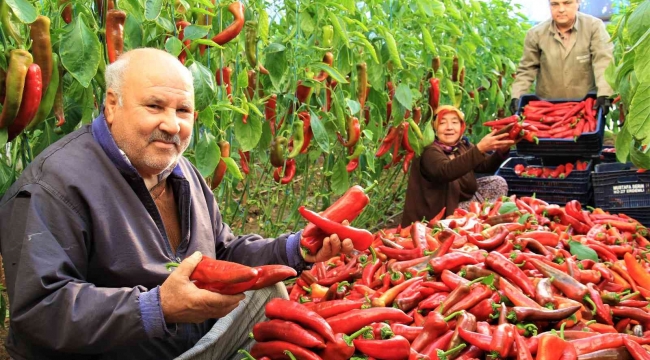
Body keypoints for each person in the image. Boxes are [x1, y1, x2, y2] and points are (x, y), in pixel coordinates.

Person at [0, 48, 353, 360]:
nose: (171, 125)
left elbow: (223, 253)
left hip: (197, 343)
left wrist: (298, 248)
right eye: (154, 106)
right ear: (111, 105)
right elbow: (40, 310)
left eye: (183, 110)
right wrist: (156, 308)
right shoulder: (55, 186)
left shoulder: (180, 170)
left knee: (269, 293)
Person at [401, 106, 514, 226]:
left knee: (497, 182)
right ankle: (477, 221)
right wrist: (479, 148)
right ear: (434, 128)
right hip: (439, 213)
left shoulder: (461, 146)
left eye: (454, 122)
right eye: (442, 123)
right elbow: (446, 171)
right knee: (476, 213)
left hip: (459, 199)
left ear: (461, 127)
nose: (449, 127)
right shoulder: (429, 151)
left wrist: (502, 150)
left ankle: (481, 218)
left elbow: (485, 166)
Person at [509, 0, 614, 115]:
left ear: (578, 2)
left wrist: (605, 93)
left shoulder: (593, 27)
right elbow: (527, 69)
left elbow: (603, 61)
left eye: (567, 3)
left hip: (586, 108)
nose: (561, 9)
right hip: (549, 109)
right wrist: (517, 96)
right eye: (555, 4)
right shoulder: (536, 34)